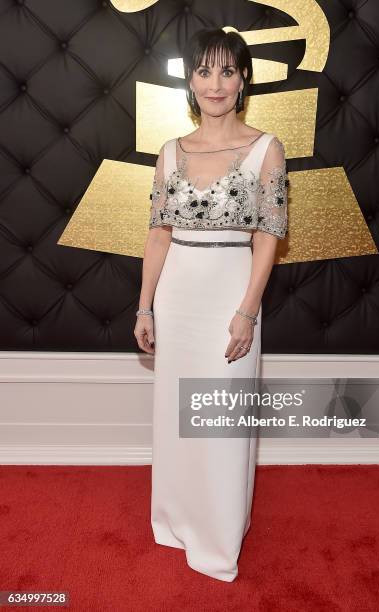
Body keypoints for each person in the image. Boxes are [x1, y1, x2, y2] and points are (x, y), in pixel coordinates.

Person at [134, 27, 289, 582]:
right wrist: (145, 306)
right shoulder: (170, 151)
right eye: (204, 71)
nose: (215, 83)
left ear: (244, 79)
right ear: (190, 81)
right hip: (177, 296)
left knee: (220, 419)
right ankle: (175, 521)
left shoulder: (266, 147)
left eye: (227, 71)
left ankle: (219, 537)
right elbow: (157, 234)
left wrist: (248, 308)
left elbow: (269, 235)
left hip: (230, 294)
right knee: (177, 417)